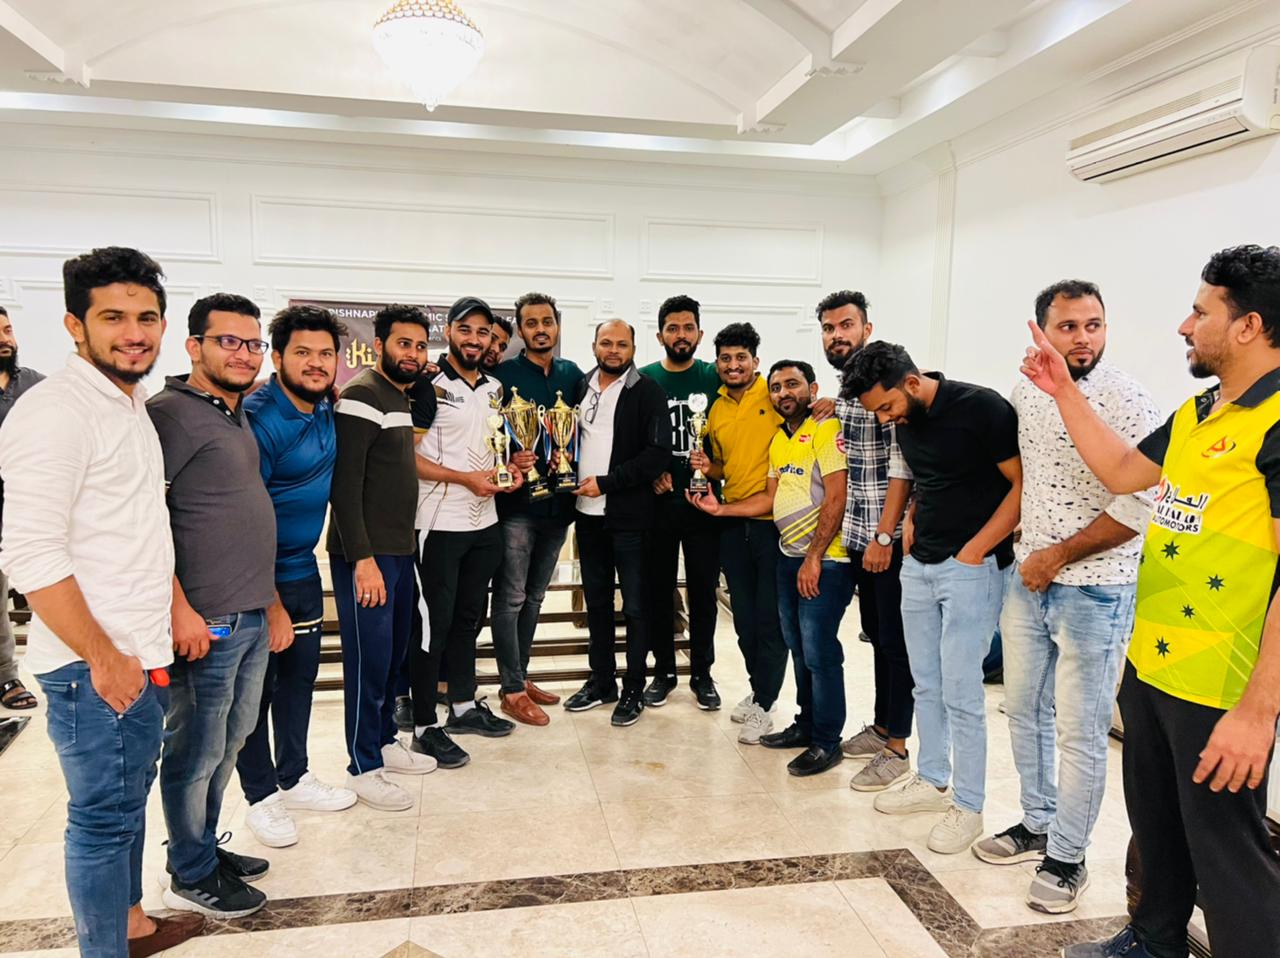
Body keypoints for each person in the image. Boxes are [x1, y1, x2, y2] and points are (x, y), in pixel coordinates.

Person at [1029, 247, 1280, 958]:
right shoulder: (1201, 411)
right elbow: (1120, 469)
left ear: (1247, 326)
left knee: (1228, 858)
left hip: (1222, 686)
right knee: (1157, 828)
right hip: (1153, 663)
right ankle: (1154, 942)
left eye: (1201, 312)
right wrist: (1063, 390)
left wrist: (1258, 711)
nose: (1184, 326)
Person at [0, 247, 204, 957]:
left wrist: (171, 609)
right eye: (113, 317)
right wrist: (103, 657)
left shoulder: (129, 404)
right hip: (95, 667)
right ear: (73, 325)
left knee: (125, 803)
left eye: (146, 317)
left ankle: (132, 925)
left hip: (137, 651)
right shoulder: (55, 412)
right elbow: (30, 554)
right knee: (101, 822)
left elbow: (140, 526)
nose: (134, 333)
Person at [971, 281, 1161, 915]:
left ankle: (1069, 857)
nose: (1083, 338)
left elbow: (1139, 505)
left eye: (1093, 325)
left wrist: (1057, 555)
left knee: (1080, 732)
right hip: (1030, 581)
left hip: (1096, 590)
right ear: (1043, 331)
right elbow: (1026, 478)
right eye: (1069, 326)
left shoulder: (1128, 399)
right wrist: (1026, 552)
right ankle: (1037, 821)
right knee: (1024, 710)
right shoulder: (1028, 390)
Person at [843, 342, 1021, 855]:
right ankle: (932, 775)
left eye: (886, 407)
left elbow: (1020, 486)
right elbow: (920, 477)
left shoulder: (983, 408)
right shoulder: (906, 418)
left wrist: (976, 550)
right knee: (926, 682)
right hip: (920, 564)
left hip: (972, 567)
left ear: (912, 382)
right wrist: (906, 522)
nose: (884, 420)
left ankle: (969, 805)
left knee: (961, 691)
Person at [148, 293, 286, 918]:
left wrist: (272, 603)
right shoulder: (170, 415)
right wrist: (178, 608)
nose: (244, 353)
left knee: (230, 742)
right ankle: (191, 871)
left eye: (253, 344)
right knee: (195, 749)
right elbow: (147, 519)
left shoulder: (234, 412)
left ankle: (201, 848)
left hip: (249, 610)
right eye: (229, 341)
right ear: (193, 345)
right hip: (208, 618)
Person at [235, 304, 358, 849]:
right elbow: (245, 517)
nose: (316, 363)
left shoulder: (325, 405)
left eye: (325, 354)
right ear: (278, 358)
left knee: (298, 682)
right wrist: (270, 603)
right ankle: (260, 796)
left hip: (303, 567)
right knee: (254, 695)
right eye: (302, 353)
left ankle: (294, 775)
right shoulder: (259, 419)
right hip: (256, 577)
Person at [692, 360, 851, 776]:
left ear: (812, 388)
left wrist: (814, 557)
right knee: (798, 647)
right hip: (788, 554)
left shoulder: (826, 428)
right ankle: (805, 724)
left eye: (792, 385)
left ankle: (827, 741)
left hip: (825, 559)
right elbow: (768, 499)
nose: (783, 393)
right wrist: (720, 509)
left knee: (819, 652)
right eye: (777, 387)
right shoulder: (780, 440)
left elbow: (837, 496)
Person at [328, 304, 438, 813]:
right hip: (366, 556)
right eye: (403, 344)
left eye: (420, 345)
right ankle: (363, 765)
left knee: (393, 657)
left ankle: (385, 741)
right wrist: (363, 559)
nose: (412, 354)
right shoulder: (362, 395)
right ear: (379, 346)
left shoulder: (399, 395)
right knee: (367, 662)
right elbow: (345, 486)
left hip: (399, 550)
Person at [408, 296, 519, 768]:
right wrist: (465, 479)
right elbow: (407, 458)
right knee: (433, 625)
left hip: (485, 522)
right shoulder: (427, 385)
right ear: (449, 331)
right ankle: (423, 726)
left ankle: (462, 706)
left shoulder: (495, 388)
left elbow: (491, 447)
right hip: (438, 522)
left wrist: (511, 467)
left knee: (469, 620)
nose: (475, 339)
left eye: (483, 332)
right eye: (466, 330)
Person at [815, 290, 915, 792]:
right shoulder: (849, 386)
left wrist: (884, 535)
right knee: (876, 635)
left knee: (896, 642)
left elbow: (902, 465)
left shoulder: (888, 377)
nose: (837, 335)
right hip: (857, 534)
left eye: (846, 325)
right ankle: (880, 727)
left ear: (866, 328)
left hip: (885, 537)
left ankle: (898, 747)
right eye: (829, 328)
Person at [562, 319, 671, 726]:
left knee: (637, 608)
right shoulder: (580, 387)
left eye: (621, 344)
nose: (613, 350)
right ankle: (602, 681)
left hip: (630, 519)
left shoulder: (648, 391)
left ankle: (633, 688)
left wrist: (606, 484)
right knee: (597, 604)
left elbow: (656, 455)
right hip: (586, 517)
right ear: (594, 346)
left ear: (633, 349)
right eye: (606, 343)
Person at [691, 322, 789, 743]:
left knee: (770, 622)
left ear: (755, 361)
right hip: (732, 523)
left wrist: (824, 403)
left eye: (741, 358)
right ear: (717, 363)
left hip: (774, 527)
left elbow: (804, 412)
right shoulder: (714, 410)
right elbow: (723, 468)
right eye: (726, 359)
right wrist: (706, 467)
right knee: (744, 622)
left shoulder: (773, 394)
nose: (734, 365)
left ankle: (765, 703)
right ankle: (758, 690)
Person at [489, 292, 584, 724]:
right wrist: (510, 457)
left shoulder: (573, 375)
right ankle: (510, 689)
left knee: (535, 597)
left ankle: (521, 676)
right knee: (510, 597)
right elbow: (486, 434)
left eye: (547, 321)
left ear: (557, 326)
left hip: (559, 507)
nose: (540, 329)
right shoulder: (501, 375)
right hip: (517, 506)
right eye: (531, 323)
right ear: (521, 330)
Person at [638, 294, 723, 710]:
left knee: (703, 592)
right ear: (660, 336)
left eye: (688, 327)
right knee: (659, 591)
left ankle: (702, 673)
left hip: (705, 504)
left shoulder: (714, 376)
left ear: (700, 334)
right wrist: (650, 472)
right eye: (673, 328)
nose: (681, 335)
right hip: (658, 504)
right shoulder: (644, 378)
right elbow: (630, 437)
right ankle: (664, 672)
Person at [0, 305, 44, 711]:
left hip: (28, 508)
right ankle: (6, 677)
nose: (5, 339)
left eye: (8, 330)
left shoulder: (36, 386)